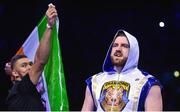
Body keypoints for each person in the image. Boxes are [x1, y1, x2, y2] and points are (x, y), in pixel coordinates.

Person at [81, 30, 163, 111]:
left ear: (133, 51)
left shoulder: (148, 83)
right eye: (115, 45)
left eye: (124, 46)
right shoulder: (94, 81)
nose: (118, 49)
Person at [5, 3, 57, 111]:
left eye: (30, 64)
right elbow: (40, 62)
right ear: (14, 72)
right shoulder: (21, 88)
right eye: (24, 65)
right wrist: (49, 26)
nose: (29, 67)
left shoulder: (20, 93)